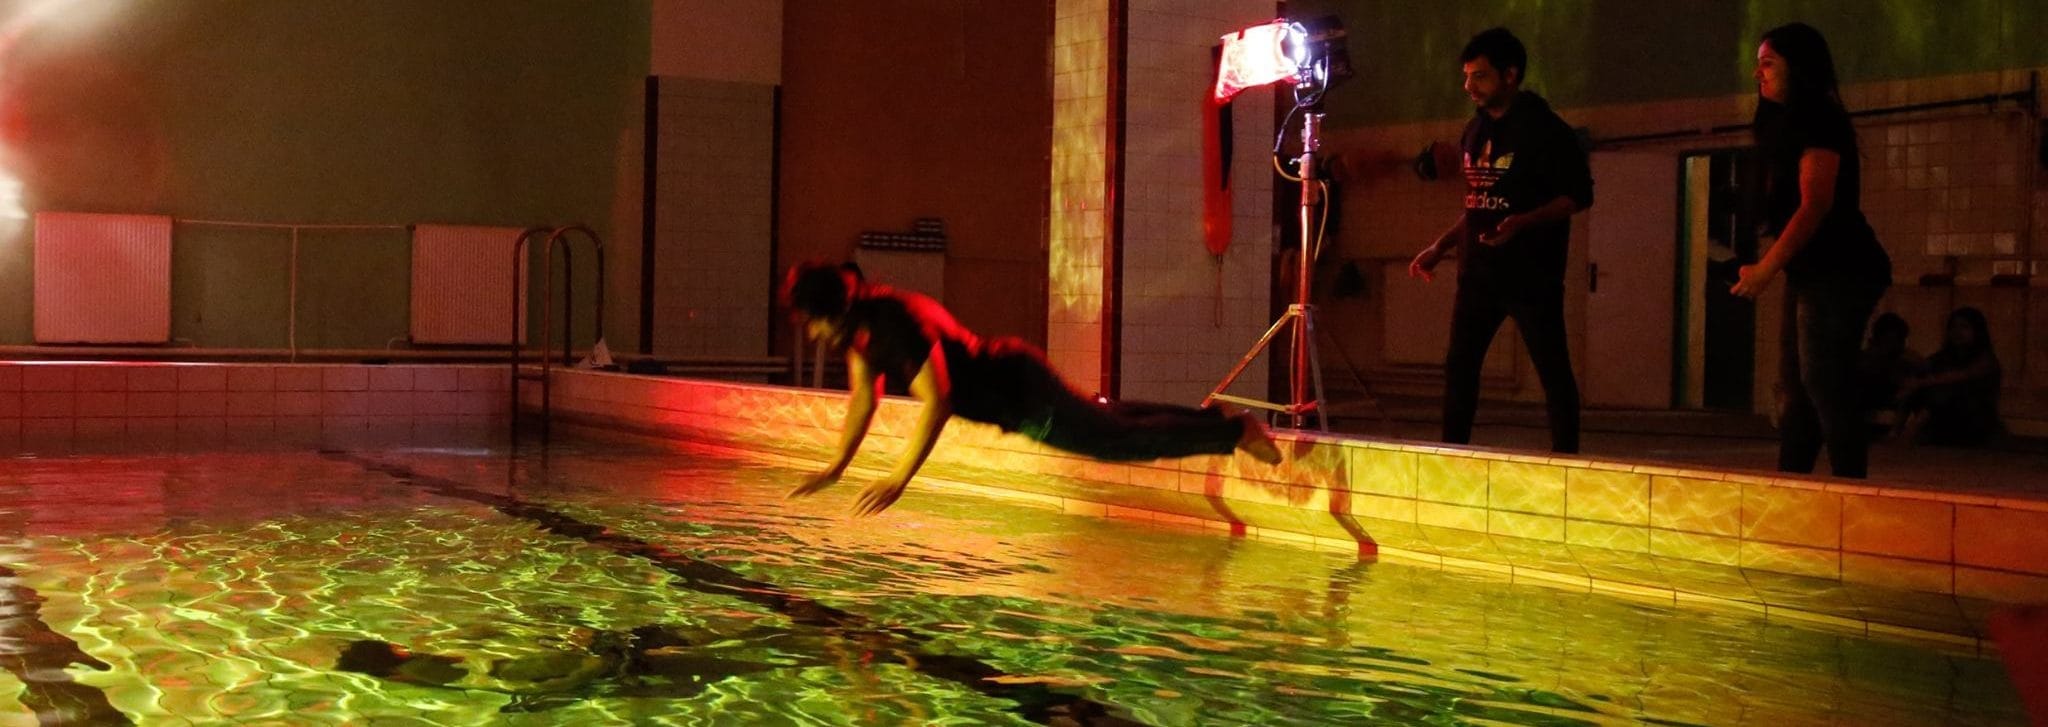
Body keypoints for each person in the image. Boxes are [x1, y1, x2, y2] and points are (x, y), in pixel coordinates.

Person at [780, 261, 1281, 516]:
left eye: (810, 322)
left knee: (1113, 440)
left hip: (1019, 394)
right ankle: (1223, 424)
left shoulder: (892, 324)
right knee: (1108, 422)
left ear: (832, 313)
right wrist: (835, 468)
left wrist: (898, 478)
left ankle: (1233, 433)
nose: (810, 333)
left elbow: (938, 401)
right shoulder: (861, 333)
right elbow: (863, 399)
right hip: (1014, 387)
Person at [1407, 27, 1593, 454]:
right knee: (1460, 366)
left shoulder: (1546, 130)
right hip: (1479, 276)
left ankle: (1567, 459)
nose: (1468, 86)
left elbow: (1579, 196)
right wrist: (1441, 246)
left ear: (1510, 76)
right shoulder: (1474, 131)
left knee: (1552, 370)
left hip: (1531, 276)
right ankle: (1452, 456)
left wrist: (1523, 222)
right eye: (1467, 76)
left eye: (1480, 77)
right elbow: (1478, 205)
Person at [1730, 23, 1892, 478]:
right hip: (1813, 270)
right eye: (1757, 64)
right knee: (1796, 386)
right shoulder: (1780, 126)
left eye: (1768, 64)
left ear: (1797, 69)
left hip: (1845, 268)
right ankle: (1793, 486)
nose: (1758, 75)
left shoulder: (1820, 120)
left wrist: (1765, 269)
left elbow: (1815, 204)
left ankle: (1848, 489)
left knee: (1823, 382)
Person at [1897, 307, 2003, 446]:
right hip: (1947, 416)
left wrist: (1921, 382)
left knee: (1945, 389)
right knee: (1918, 382)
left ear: (1977, 331)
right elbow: (1925, 365)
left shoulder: (1985, 359)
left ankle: (1911, 432)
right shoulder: (1944, 356)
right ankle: (1896, 430)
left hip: (1974, 417)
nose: (1957, 332)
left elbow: (1959, 377)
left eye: (1964, 327)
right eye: (1953, 327)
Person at [1855, 312, 1923, 438]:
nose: (1897, 343)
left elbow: (1918, 369)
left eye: (1899, 339)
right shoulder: (1867, 358)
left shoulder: (1901, 359)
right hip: (1867, 401)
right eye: (1891, 339)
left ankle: (1895, 432)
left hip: (1887, 401)